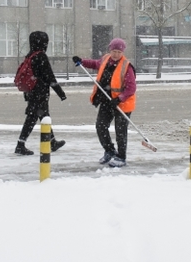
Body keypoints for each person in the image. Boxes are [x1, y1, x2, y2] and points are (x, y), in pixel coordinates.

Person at [72, 38, 136, 168]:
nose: (116, 54)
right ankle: (110, 150)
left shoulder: (126, 66)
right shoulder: (106, 59)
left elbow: (131, 88)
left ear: (122, 52)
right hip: (106, 100)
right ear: (110, 49)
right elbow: (96, 64)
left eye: (119, 51)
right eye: (114, 51)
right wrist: (82, 61)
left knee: (120, 131)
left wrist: (119, 98)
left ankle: (121, 157)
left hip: (122, 104)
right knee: (100, 126)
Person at [15, 31, 67, 155]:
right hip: (40, 93)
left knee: (43, 117)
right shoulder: (41, 56)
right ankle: (20, 144)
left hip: (32, 92)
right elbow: (49, 76)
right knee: (33, 118)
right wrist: (61, 93)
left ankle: (52, 142)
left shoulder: (30, 55)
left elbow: (29, 76)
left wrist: (28, 93)